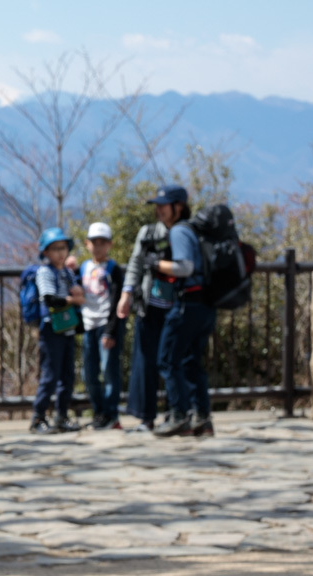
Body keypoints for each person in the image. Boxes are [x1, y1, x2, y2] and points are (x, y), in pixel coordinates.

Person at [144, 185, 217, 438]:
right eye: (157, 205)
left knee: (168, 359)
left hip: (188, 304)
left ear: (179, 207)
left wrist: (156, 263)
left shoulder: (179, 231)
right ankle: (202, 418)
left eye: (163, 205)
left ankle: (179, 416)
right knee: (191, 361)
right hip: (205, 305)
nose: (158, 210)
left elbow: (184, 268)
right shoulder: (194, 231)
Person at [117, 211, 173, 433]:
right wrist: (126, 294)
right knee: (144, 363)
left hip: (178, 308)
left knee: (173, 364)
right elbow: (135, 263)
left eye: (165, 205)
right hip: (148, 306)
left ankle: (175, 413)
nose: (161, 210)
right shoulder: (147, 232)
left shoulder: (185, 232)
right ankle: (145, 417)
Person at [31, 228, 85, 435]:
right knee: (50, 375)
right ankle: (38, 417)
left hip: (67, 329)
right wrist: (74, 299)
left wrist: (77, 293)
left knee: (67, 376)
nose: (60, 253)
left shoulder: (67, 273)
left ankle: (61, 416)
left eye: (63, 248)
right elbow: (49, 298)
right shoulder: (45, 272)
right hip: (51, 329)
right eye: (54, 249)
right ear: (46, 252)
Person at [79, 223, 125, 430]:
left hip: (107, 325)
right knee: (88, 374)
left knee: (109, 371)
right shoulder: (83, 268)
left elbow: (116, 301)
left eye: (102, 243)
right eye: (94, 242)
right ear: (87, 244)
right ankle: (99, 412)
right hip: (88, 325)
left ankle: (111, 414)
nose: (98, 247)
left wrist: (111, 330)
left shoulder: (114, 269)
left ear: (109, 245)